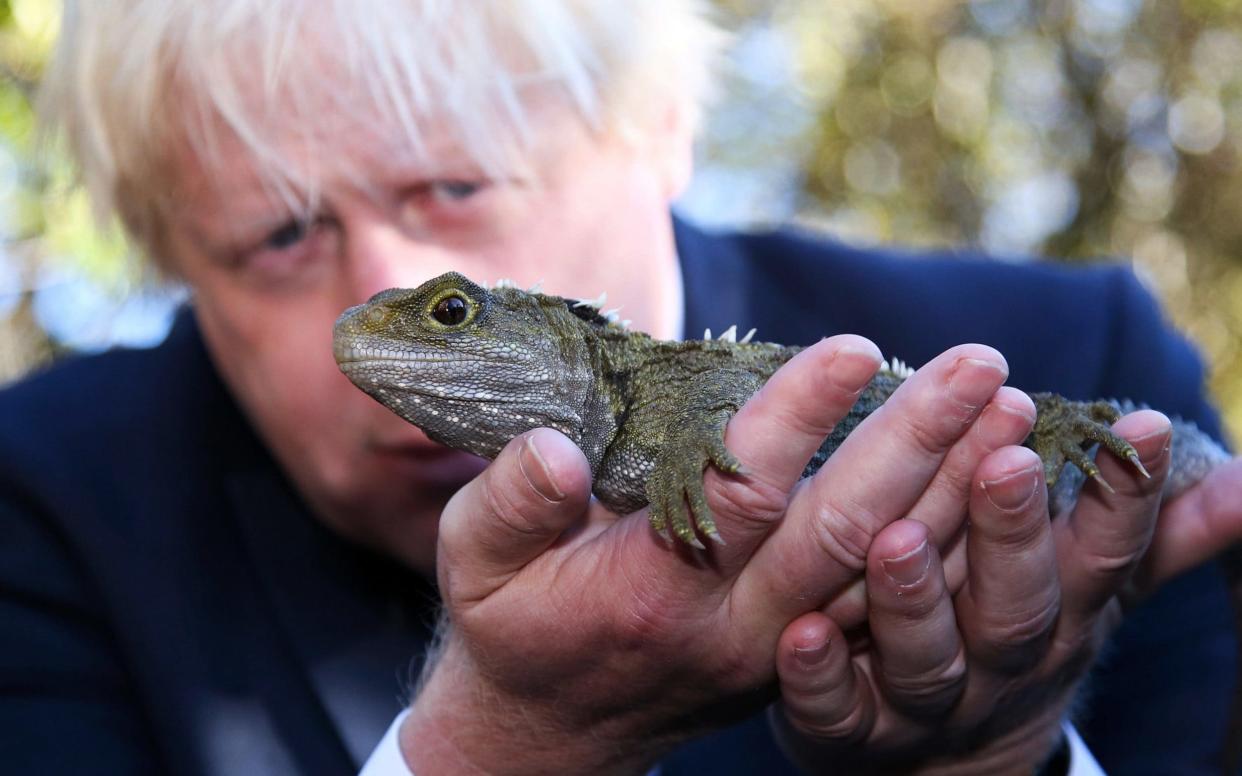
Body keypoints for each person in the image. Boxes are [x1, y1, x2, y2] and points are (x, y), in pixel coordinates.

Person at [3, 1, 1239, 773]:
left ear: (658, 126)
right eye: (277, 236)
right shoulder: (48, 506)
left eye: (458, 184)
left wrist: (993, 755)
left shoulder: (1081, 352)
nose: (371, 280)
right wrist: (497, 750)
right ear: (175, 258)